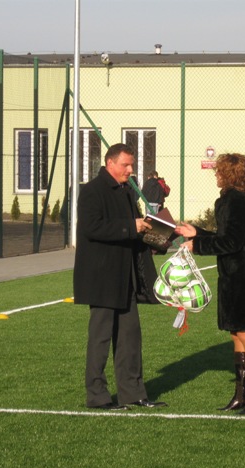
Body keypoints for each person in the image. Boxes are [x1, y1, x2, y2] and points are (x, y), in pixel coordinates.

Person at [175, 153, 245, 414]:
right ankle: (242, 394)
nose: (216, 175)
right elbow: (227, 236)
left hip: (244, 275)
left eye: (219, 171)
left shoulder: (235, 200)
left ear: (229, 174)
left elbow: (231, 242)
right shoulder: (237, 199)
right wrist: (197, 233)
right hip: (233, 274)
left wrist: (197, 245)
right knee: (235, 332)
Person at [74, 143, 168, 410]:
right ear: (110, 163)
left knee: (130, 338)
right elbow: (92, 228)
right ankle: (97, 397)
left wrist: (162, 237)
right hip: (102, 277)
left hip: (127, 277)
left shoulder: (126, 191)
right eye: (126, 165)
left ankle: (133, 393)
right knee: (100, 339)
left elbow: (137, 229)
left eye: (132, 165)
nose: (130, 170)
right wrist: (131, 226)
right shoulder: (92, 191)